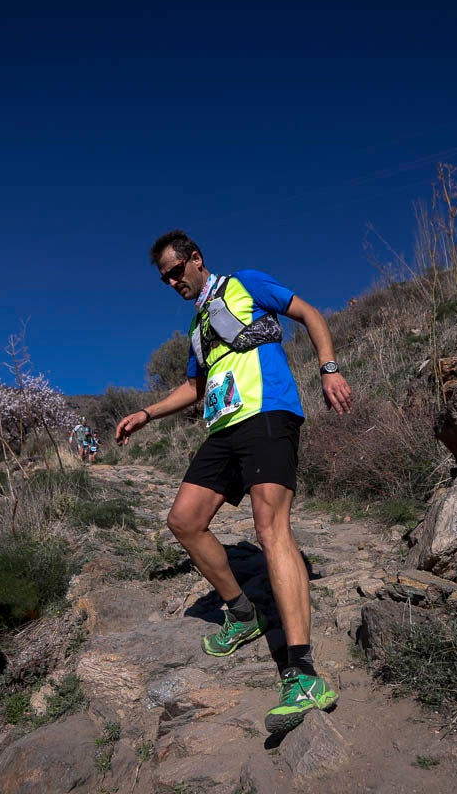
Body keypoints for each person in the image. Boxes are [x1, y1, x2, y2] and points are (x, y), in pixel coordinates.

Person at [116, 230, 352, 734]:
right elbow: (194, 386)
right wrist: (146, 413)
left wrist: (328, 368)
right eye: (165, 279)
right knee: (184, 521)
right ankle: (243, 613)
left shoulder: (246, 284)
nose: (173, 282)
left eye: (177, 271)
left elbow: (309, 313)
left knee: (270, 530)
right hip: (223, 426)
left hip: (268, 413)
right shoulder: (197, 328)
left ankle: (304, 673)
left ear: (196, 260)